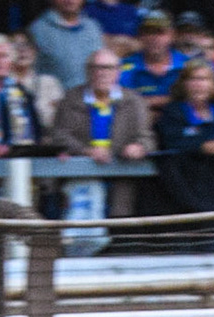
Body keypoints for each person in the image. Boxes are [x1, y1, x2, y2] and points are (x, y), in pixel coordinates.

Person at [55, 48, 152, 232]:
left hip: (121, 178)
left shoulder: (134, 101)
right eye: (96, 68)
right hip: (81, 179)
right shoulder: (71, 99)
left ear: (118, 71)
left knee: (120, 231)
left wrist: (139, 147)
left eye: (108, 68)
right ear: (88, 71)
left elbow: (147, 138)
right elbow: (60, 136)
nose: (102, 73)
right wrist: (86, 151)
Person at [120, 11, 189, 118]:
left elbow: (196, 101)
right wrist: (170, 100)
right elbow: (121, 103)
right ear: (140, 36)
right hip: (138, 124)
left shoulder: (187, 65)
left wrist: (149, 102)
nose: (154, 38)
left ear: (172, 35)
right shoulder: (125, 66)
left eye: (160, 32)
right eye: (148, 32)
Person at [29, 0, 106, 91]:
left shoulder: (93, 27)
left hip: (92, 98)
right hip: (57, 100)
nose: (70, 1)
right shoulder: (38, 30)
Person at [5, 32, 65, 133]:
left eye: (27, 46)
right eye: (16, 46)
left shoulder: (49, 83)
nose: (22, 51)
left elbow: (60, 120)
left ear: (35, 51)